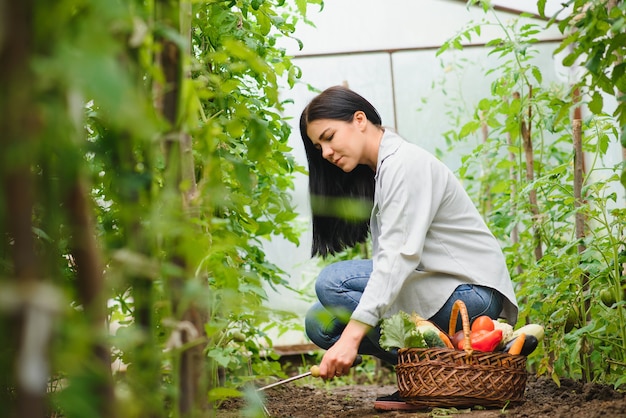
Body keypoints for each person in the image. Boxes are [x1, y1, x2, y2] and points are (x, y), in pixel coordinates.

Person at [299, 85, 519, 410]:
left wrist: (351, 338)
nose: (326, 152)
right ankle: (426, 378)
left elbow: (399, 259)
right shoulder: (381, 171)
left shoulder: (404, 164)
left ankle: (429, 382)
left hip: (470, 296)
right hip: (439, 290)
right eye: (319, 147)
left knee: (333, 283)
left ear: (359, 119)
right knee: (320, 321)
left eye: (329, 137)